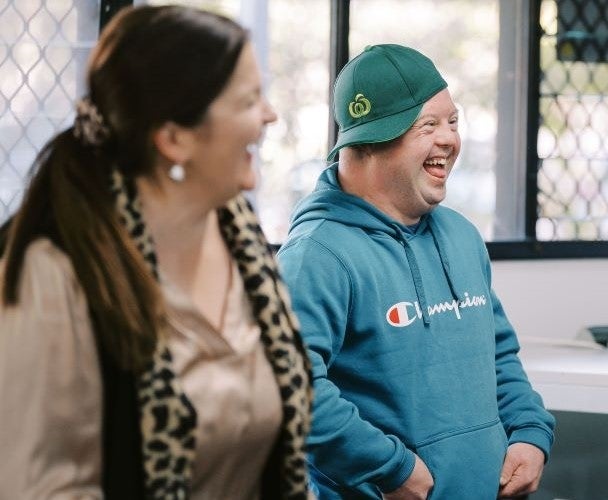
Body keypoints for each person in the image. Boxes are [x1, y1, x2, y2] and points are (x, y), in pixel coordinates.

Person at [0, 5, 312, 499]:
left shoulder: (240, 237)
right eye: (251, 100)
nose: (270, 115)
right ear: (174, 138)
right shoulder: (56, 273)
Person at [277, 43, 555, 499]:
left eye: (452, 122)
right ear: (369, 141)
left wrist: (528, 431)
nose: (449, 140)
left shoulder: (462, 237)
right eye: (428, 126)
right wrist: (391, 467)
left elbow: (499, 354)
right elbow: (290, 388)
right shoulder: (316, 256)